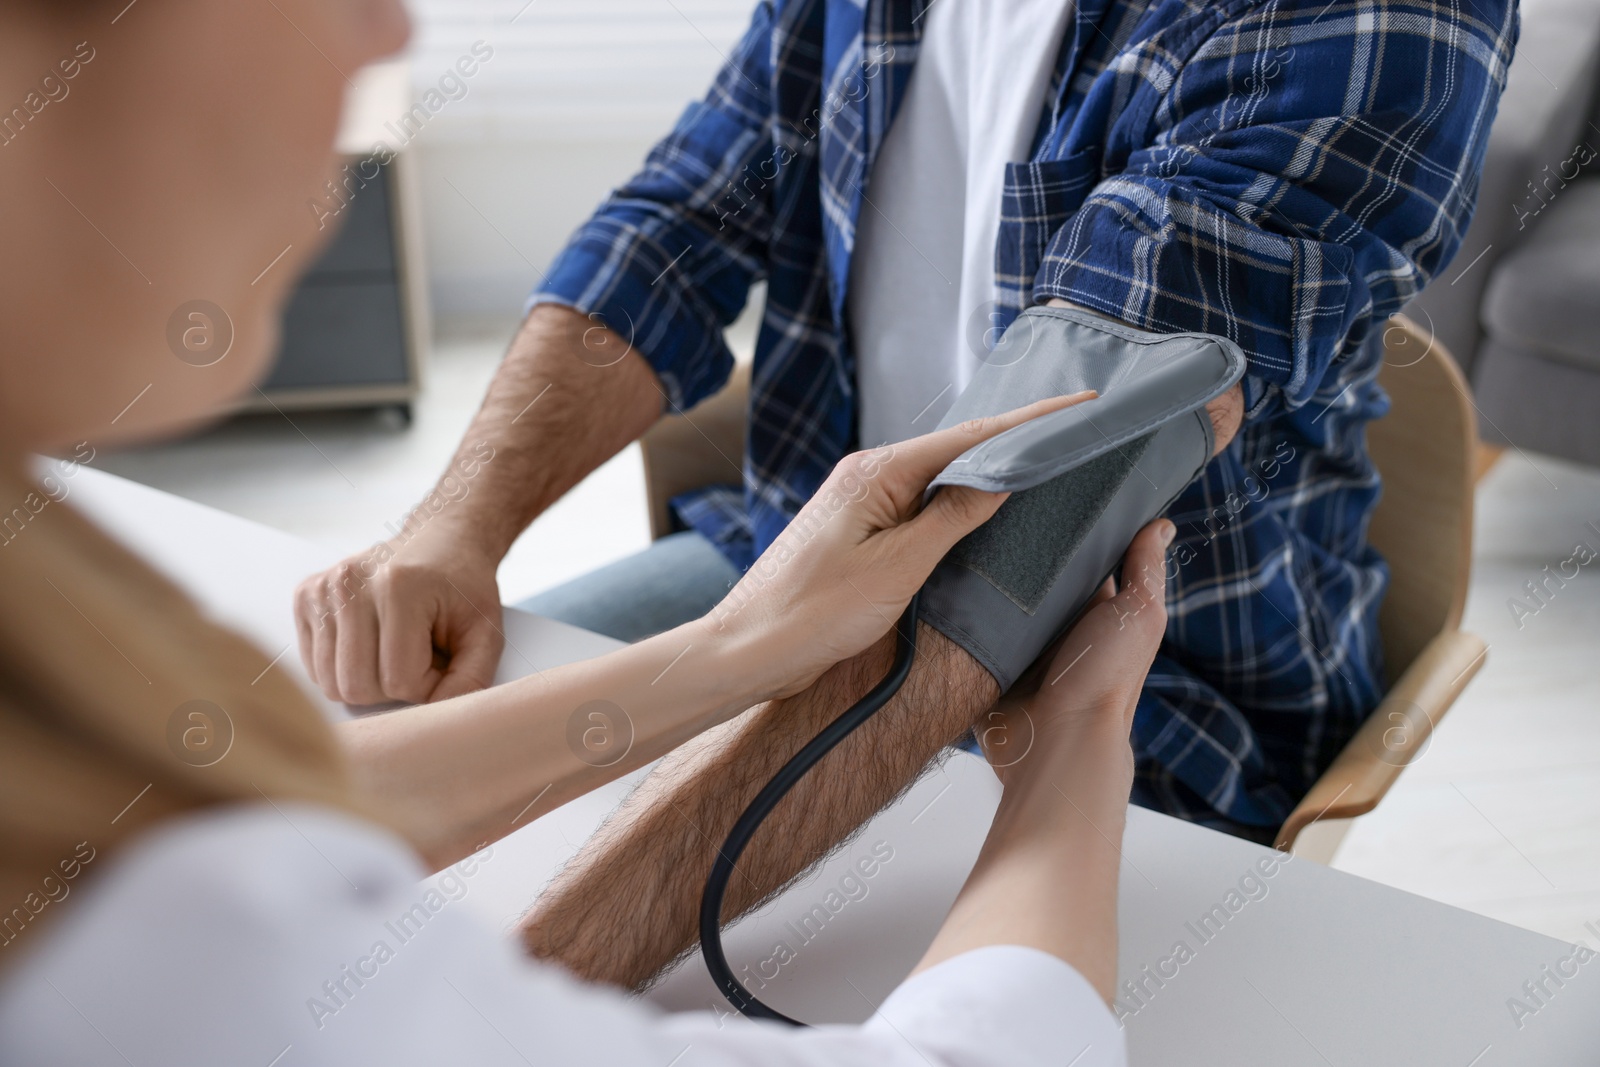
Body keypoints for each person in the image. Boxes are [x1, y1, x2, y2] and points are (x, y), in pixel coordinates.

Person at [0, 1, 1178, 1063]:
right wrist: (1073, 748)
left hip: (1170, 676)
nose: (389, 35)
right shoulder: (162, 946)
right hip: (797, 551)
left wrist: (736, 648)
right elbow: (677, 223)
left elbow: (215, 818)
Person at [295, 0, 1517, 991]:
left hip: (1142, 675)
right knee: (365, 763)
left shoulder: (1375, 16)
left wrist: (533, 991)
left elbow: (1022, 546)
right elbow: (678, 222)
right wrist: (455, 525)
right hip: (783, 556)